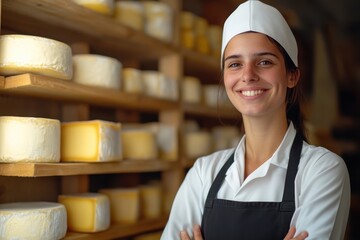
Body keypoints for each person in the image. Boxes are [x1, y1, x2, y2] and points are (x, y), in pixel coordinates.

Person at [161, 0, 351, 239]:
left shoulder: (321, 171)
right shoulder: (203, 173)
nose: (248, 75)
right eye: (235, 64)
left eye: (264, 62)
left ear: (292, 75)